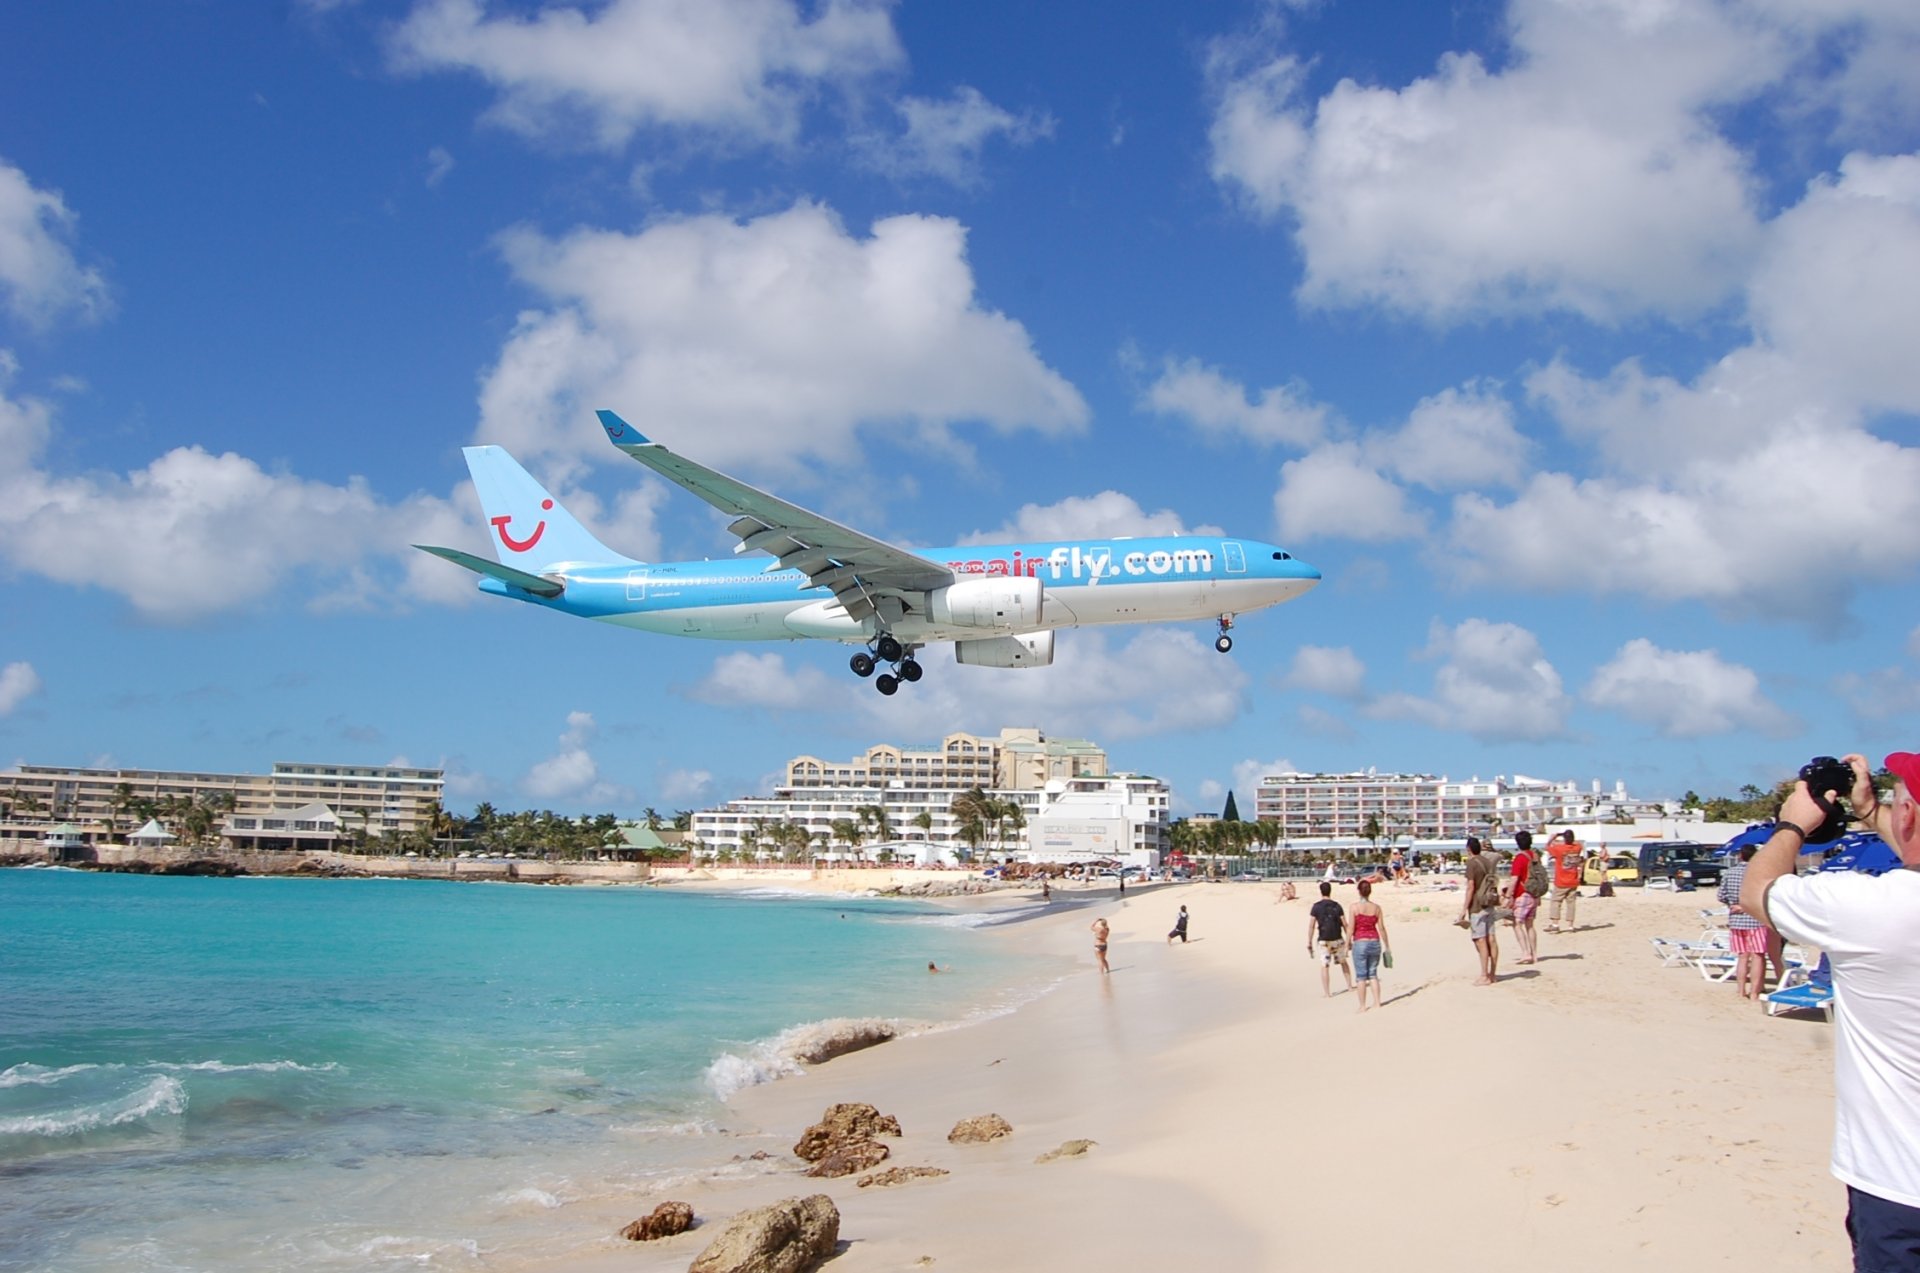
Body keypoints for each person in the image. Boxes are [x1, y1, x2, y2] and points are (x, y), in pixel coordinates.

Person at [1743, 751, 1920, 1271]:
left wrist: (1792, 825)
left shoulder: (1874, 909)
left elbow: (1759, 892)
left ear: (1907, 816)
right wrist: (1870, 812)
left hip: (1899, 1181)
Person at [1717, 845, 1771, 1002]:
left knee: (1742, 957)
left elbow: (1721, 895)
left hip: (1736, 920)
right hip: (1755, 918)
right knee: (1758, 956)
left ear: (1740, 856)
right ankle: (1754, 992)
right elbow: (1764, 895)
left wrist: (1734, 904)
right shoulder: (1759, 873)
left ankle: (1740, 990)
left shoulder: (1730, 872)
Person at [1460, 835, 1501, 985]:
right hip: (1489, 902)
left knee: (1480, 940)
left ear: (1469, 849)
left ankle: (1484, 975)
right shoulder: (1487, 861)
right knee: (1492, 939)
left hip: (1477, 905)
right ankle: (1493, 974)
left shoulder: (1472, 863)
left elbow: (1471, 887)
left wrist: (1464, 909)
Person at [1349, 878, 1391, 1012]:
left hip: (1360, 942)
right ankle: (1377, 1002)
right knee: (1373, 974)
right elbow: (1382, 928)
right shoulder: (1377, 908)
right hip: (1374, 941)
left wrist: (1346, 944)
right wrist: (1387, 946)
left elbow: (1351, 928)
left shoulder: (1354, 907)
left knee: (1361, 976)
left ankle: (1362, 1006)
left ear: (1359, 892)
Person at [1307, 882, 1354, 997]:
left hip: (1324, 940)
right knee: (1343, 962)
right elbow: (1345, 924)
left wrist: (1309, 941)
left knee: (1325, 965)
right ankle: (1349, 986)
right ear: (1330, 891)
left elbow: (1312, 925)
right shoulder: (1336, 906)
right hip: (1337, 938)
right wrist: (1349, 940)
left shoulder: (1316, 906)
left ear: (1321, 891)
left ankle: (1327, 993)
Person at [1508, 830, 1540, 965]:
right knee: (1530, 925)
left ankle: (1525, 953)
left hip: (1522, 893)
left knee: (1517, 923)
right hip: (1534, 894)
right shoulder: (1535, 856)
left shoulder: (1519, 858)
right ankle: (1534, 954)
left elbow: (1515, 879)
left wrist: (1509, 895)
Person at [1544, 830, 1585, 933]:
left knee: (1556, 901)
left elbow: (1547, 846)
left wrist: (1553, 837)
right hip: (1573, 879)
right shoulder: (1577, 848)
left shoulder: (1559, 849)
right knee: (1571, 903)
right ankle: (1570, 926)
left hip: (1562, 880)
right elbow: (1578, 844)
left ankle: (1555, 924)